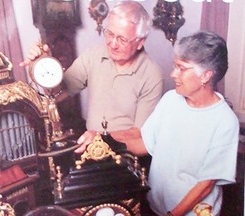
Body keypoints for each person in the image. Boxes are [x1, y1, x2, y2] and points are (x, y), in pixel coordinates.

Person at [75, 31, 239, 216]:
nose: (173, 74)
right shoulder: (171, 100)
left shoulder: (225, 121)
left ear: (206, 76)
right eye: (174, 66)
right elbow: (144, 144)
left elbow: (205, 185)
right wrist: (101, 138)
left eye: (182, 68)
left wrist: (172, 215)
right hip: (156, 207)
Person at [20, 0, 163, 133]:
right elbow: (58, 94)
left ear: (140, 42)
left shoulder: (151, 74)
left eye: (122, 39)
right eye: (110, 34)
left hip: (127, 154)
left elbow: (139, 136)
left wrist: (100, 139)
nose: (113, 44)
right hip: (93, 148)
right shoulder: (94, 55)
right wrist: (44, 64)